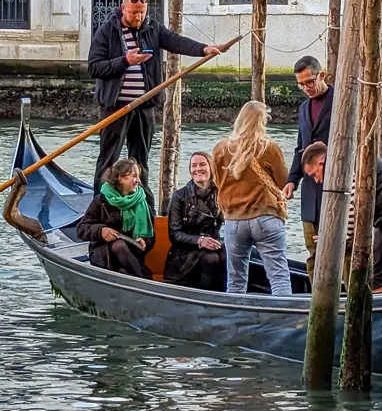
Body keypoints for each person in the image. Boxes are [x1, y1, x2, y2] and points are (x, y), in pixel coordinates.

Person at [88, 0, 223, 203]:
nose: (138, 17)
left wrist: (204, 49)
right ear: (123, 8)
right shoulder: (107, 31)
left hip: (144, 106)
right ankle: (100, 205)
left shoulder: (152, 29)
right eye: (133, 12)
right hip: (116, 106)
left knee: (141, 160)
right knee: (108, 159)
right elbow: (94, 67)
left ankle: (144, 206)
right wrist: (125, 61)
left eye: (141, 12)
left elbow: (177, 42)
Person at [301, 142, 382, 289]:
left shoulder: (347, 168)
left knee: (378, 278)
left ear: (321, 163)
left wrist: (334, 239)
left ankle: (378, 310)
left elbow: (354, 210)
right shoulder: (355, 159)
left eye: (314, 174)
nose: (316, 180)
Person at [213, 101, 292, 296]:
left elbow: (216, 181)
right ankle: (284, 320)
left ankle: (235, 320)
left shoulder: (221, 149)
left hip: (234, 220)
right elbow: (283, 183)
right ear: (262, 122)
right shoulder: (269, 148)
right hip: (266, 215)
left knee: (236, 280)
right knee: (278, 276)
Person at [283, 55, 334, 283]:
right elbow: (300, 148)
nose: (306, 88)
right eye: (301, 84)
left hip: (335, 187)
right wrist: (292, 179)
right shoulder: (304, 108)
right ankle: (316, 302)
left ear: (321, 75)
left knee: (339, 251)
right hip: (310, 193)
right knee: (313, 252)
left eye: (309, 82)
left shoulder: (339, 101)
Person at [77, 158, 155, 278]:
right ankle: (143, 279)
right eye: (134, 176)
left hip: (131, 254)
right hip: (104, 254)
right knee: (118, 245)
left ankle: (136, 277)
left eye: (139, 176)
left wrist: (144, 240)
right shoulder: (101, 201)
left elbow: (150, 236)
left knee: (123, 258)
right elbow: (81, 229)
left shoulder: (143, 201)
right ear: (120, 178)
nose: (138, 181)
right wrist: (101, 231)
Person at [164, 152, 226, 291]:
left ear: (211, 168)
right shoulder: (179, 196)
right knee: (211, 259)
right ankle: (205, 297)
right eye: (194, 165)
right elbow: (174, 234)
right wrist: (200, 240)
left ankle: (228, 295)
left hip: (213, 244)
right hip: (185, 251)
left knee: (229, 253)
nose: (198, 169)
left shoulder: (221, 192)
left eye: (202, 164)